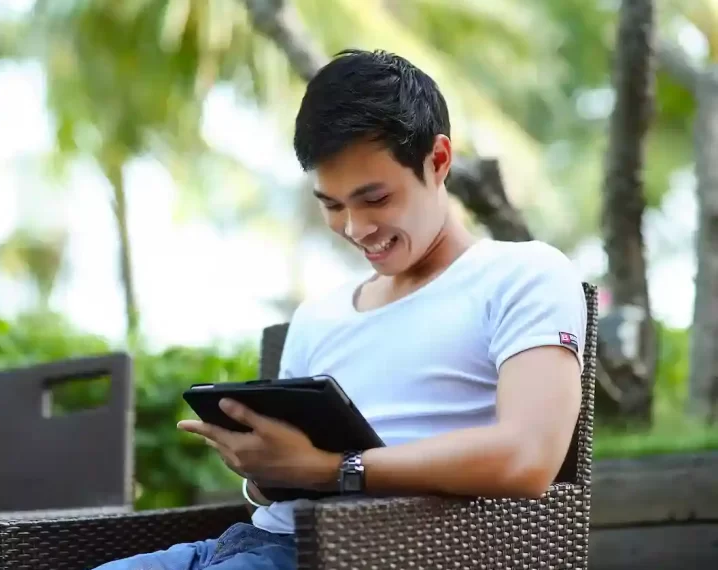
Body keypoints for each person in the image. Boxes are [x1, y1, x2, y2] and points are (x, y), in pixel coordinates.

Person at [94, 48, 586, 570]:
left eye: (374, 199)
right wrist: (264, 470)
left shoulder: (522, 275)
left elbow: (528, 459)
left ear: (438, 161)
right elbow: (279, 493)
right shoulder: (319, 315)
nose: (355, 228)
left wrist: (334, 469)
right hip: (245, 544)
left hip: (361, 553)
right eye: (331, 205)